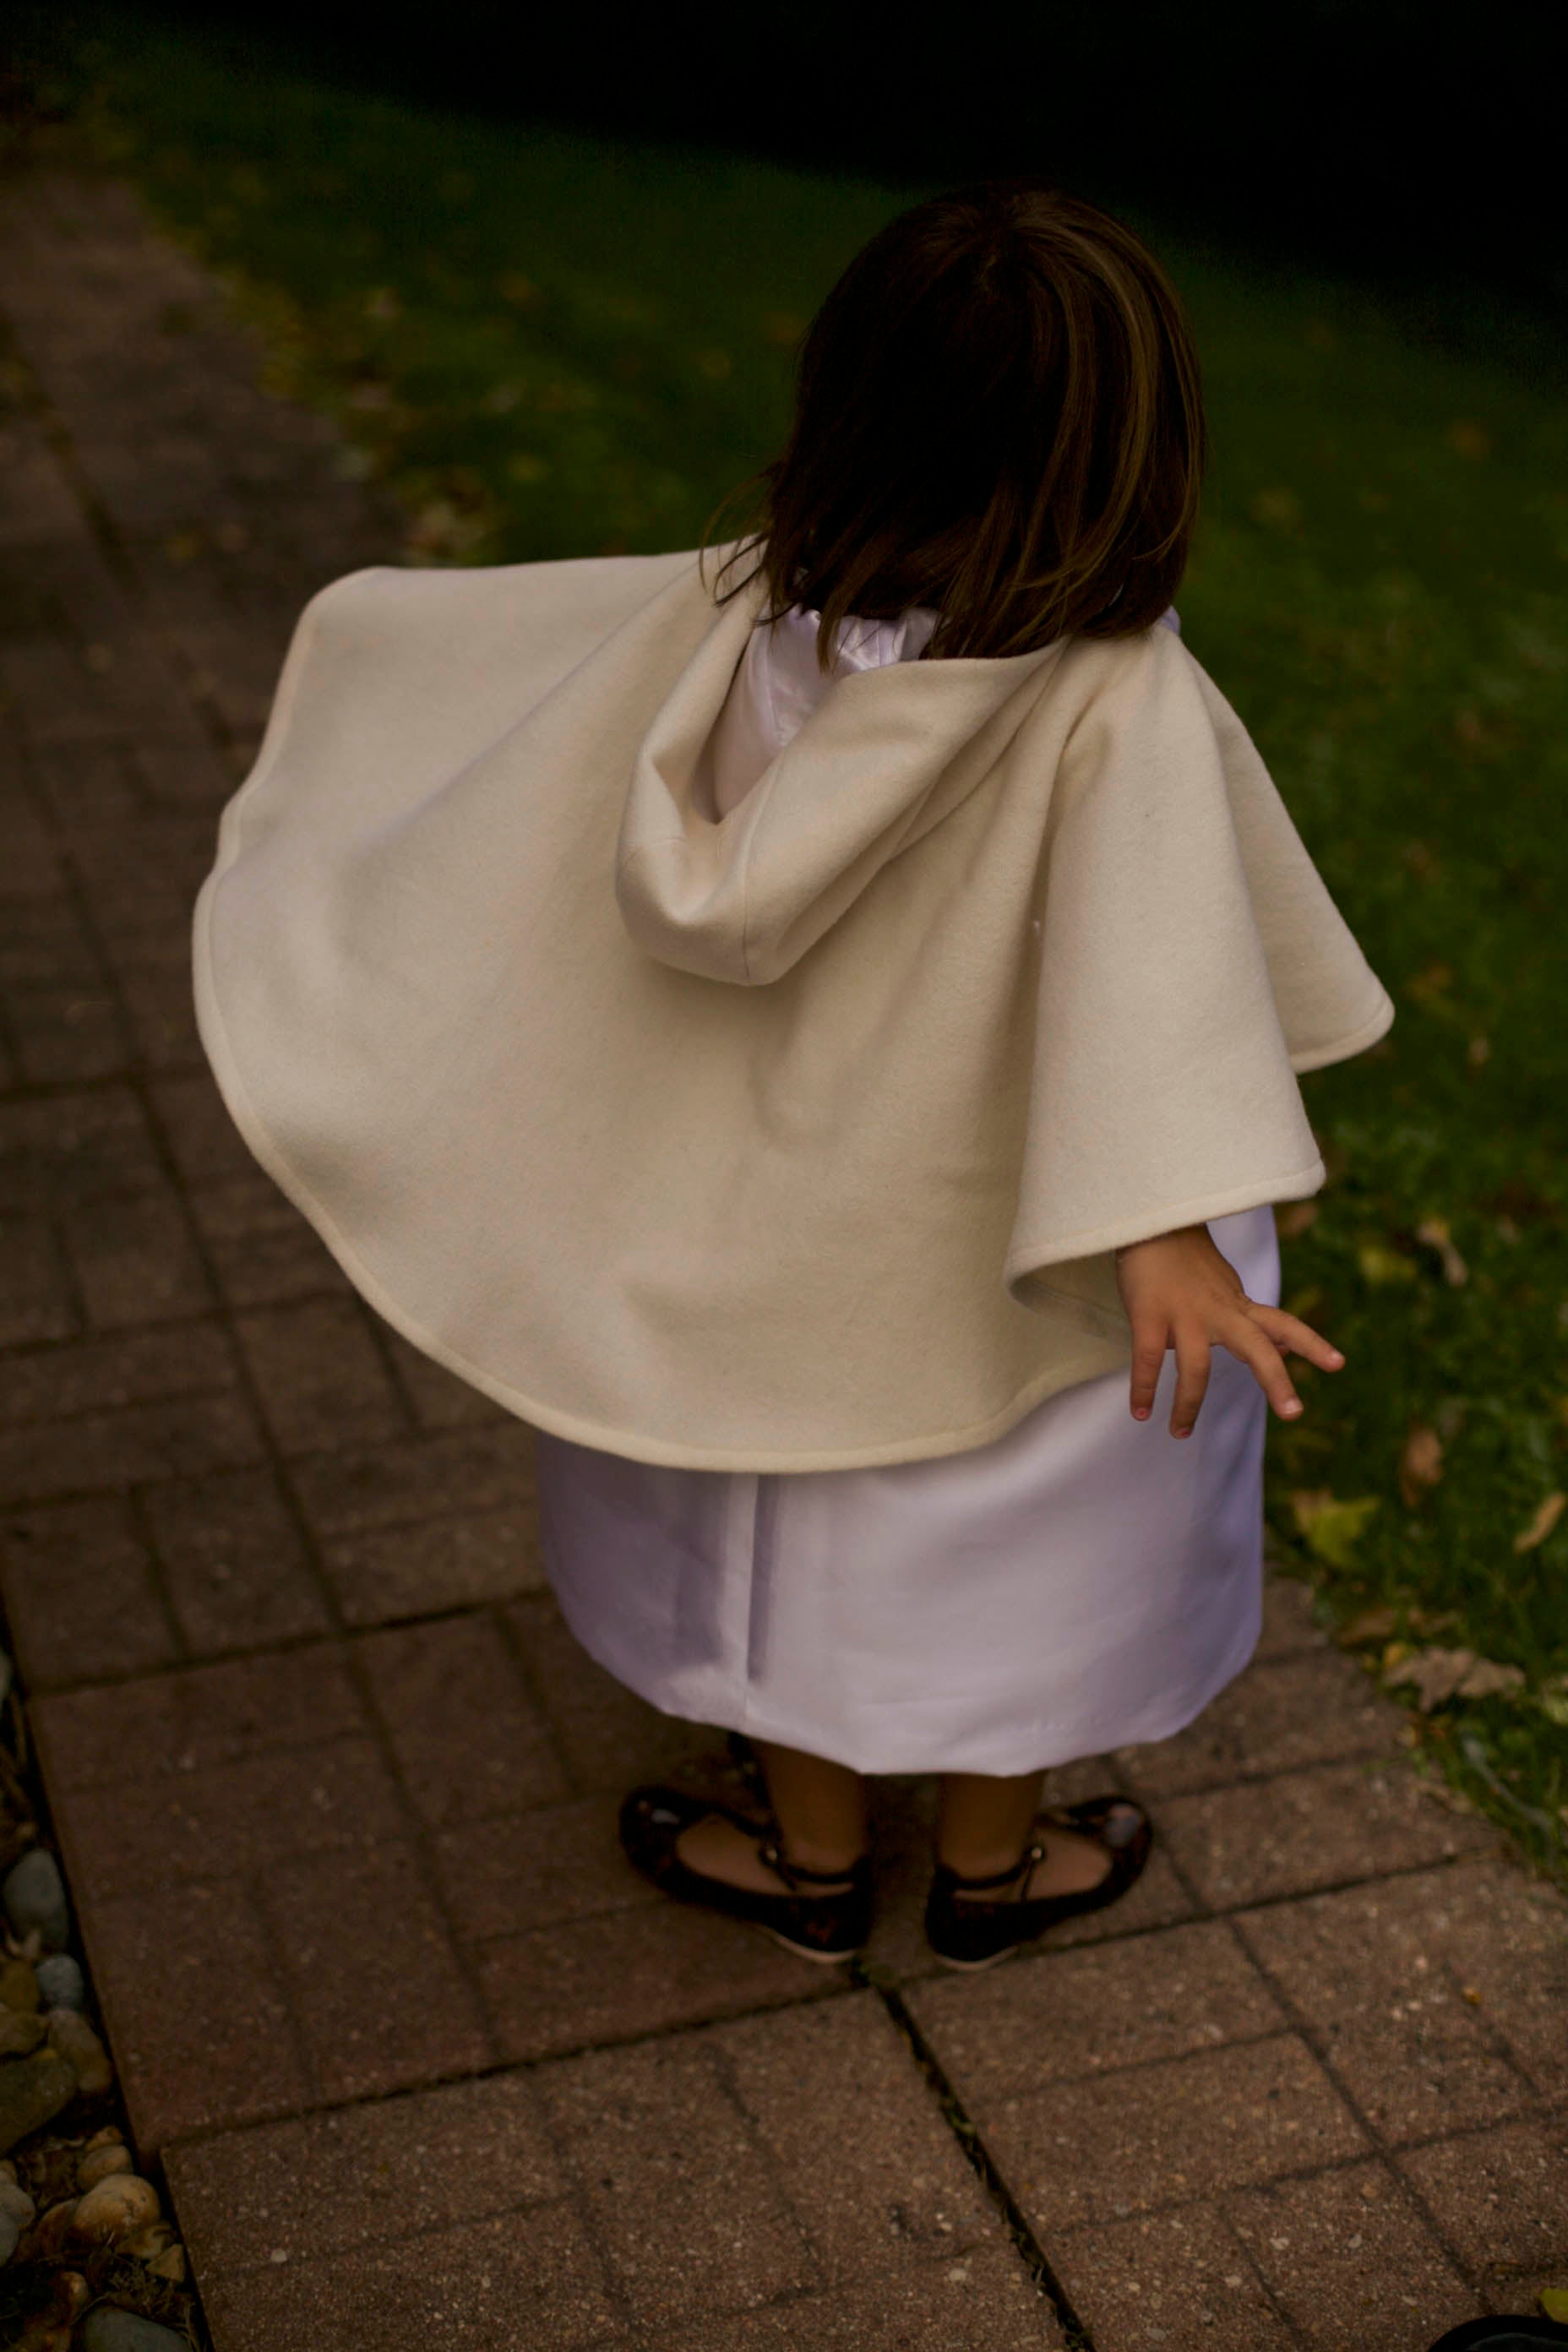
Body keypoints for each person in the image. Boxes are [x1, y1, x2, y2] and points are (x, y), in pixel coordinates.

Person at [192, 173, 1395, 1976]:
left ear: (849, 408)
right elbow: (1157, 967)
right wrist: (1161, 1230)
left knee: (779, 1516)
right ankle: (991, 1866)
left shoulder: (754, 625)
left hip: (772, 1208)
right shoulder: (1113, 691)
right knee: (1022, 1547)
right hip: (1023, 1219)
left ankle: (810, 1856)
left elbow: (599, 791)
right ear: (1127, 457)